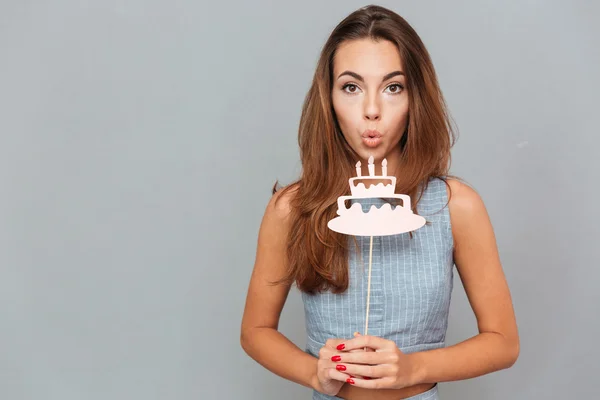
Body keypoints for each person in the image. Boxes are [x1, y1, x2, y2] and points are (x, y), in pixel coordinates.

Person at [240, 5, 519, 400]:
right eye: (351, 87)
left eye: (393, 87)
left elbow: (504, 342)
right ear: (329, 98)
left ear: (414, 96)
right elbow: (255, 331)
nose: (372, 110)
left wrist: (414, 367)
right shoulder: (292, 208)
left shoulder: (456, 206)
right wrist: (315, 374)